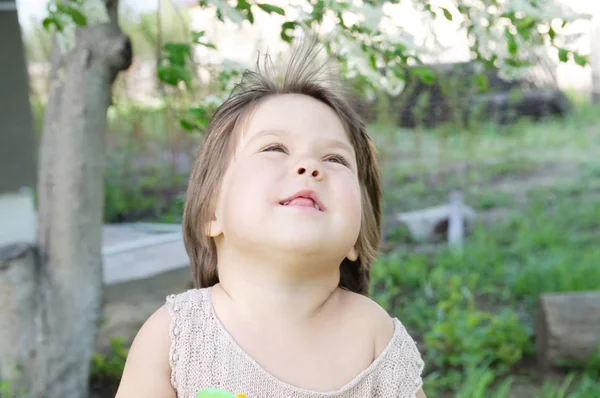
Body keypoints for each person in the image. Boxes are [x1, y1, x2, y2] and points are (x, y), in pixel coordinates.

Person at [115, 39, 426, 398]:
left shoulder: (375, 338)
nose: (309, 167)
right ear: (210, 213)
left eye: (335, 159)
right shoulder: (177, 338)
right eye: (275, 148)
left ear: (358, 236)